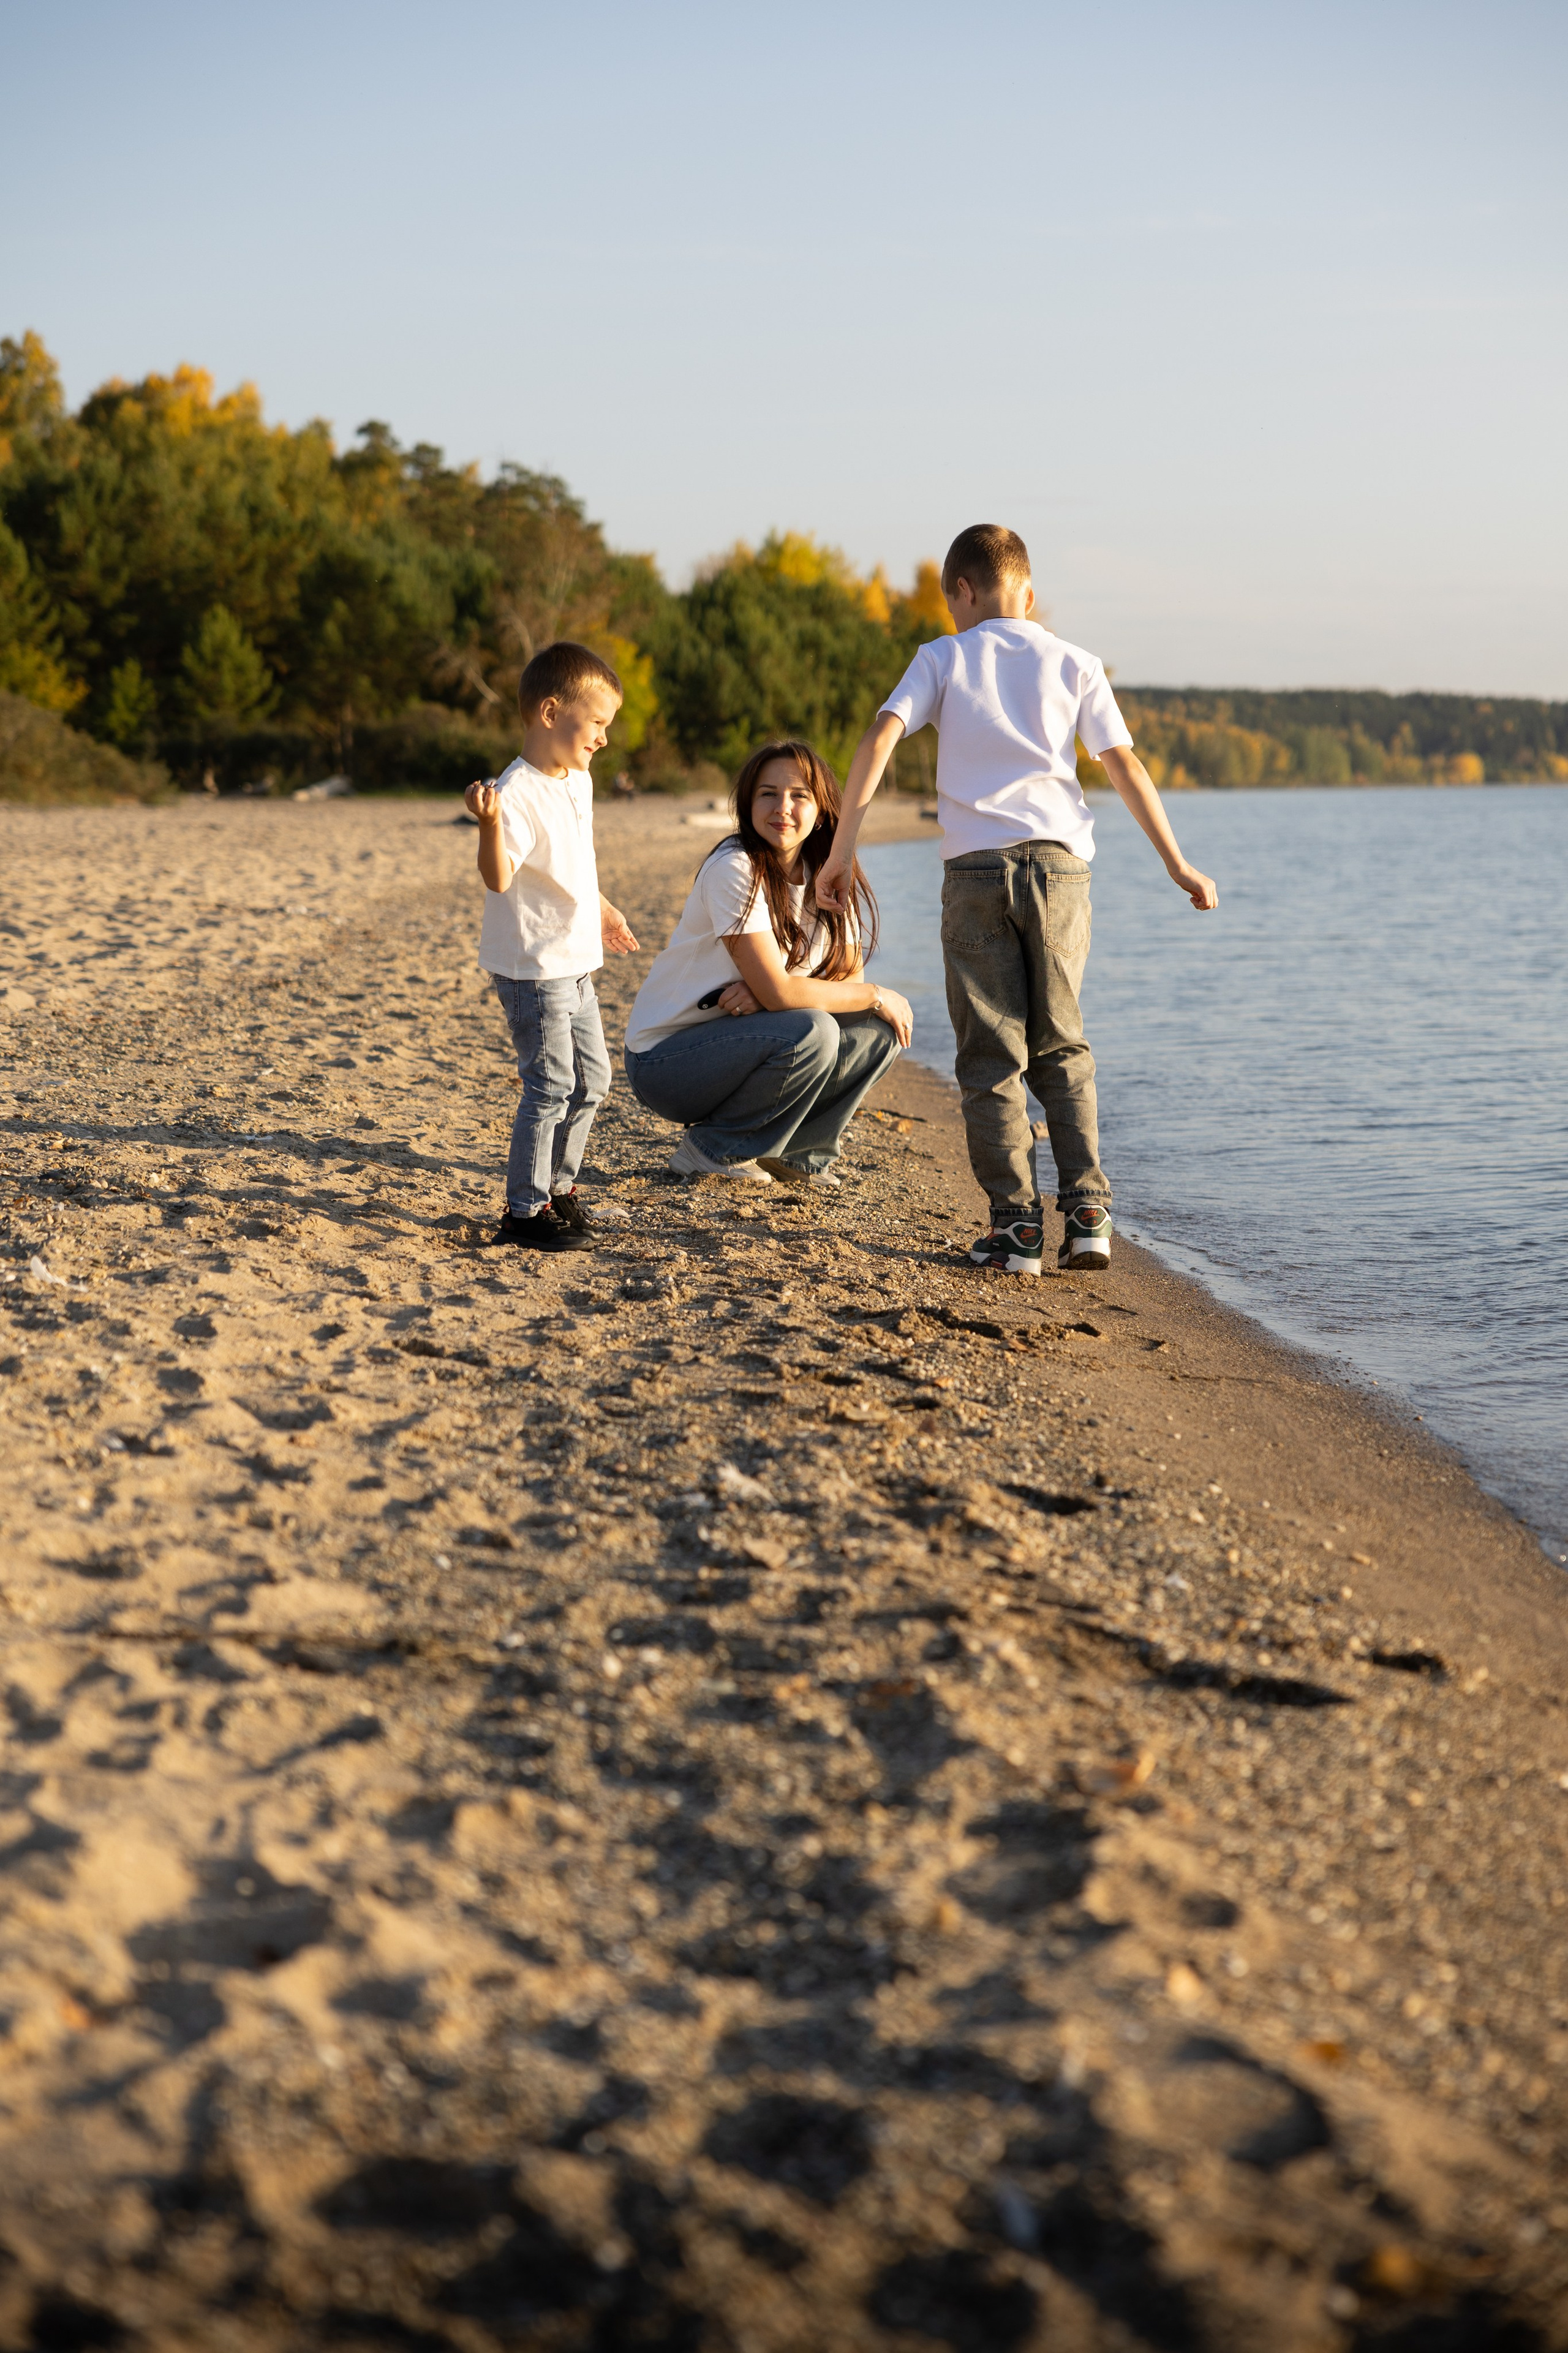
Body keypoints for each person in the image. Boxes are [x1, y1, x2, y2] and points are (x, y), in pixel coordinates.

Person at [816, 523, 1216, 1277]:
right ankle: (1088, 1214)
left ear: (962, 591)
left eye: (954, 603)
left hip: (974, 873)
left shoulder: (941, 656)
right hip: (1061, 872)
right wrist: (1178, 862)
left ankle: (1017, 1230)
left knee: (991, 1054)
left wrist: (843, 850)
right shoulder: (1074, 661)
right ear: (1028, 594)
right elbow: (1123, 765)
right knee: (1061, 1042)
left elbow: (879, 739)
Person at [622, 739, 913, 1186]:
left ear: (821, 810)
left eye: (799, 795)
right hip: (667, 1061)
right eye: (768, 794)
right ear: (748, 804)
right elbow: (811, 993)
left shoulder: (828, 872)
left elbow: (847, 981)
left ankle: (797, 1156)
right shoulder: (735, 867)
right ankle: (713, 1148)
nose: (783, 807)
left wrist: (771, 996)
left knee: (877, 1031)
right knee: (817, 1029)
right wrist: (788, 994)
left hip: (747, 1042)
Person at [465, 641, 639, 1252]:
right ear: (549, 712)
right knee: (549, 1085)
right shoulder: (514, 793)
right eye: (597, 723)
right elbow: (498, 878)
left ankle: (559, 1188)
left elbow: (574, 863)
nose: (604, 738)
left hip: (576, 961)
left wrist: (602, 908)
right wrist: (489, 824)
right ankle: (524, 1209)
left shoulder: (578, 779)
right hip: (535, 968)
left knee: (593, 1081)